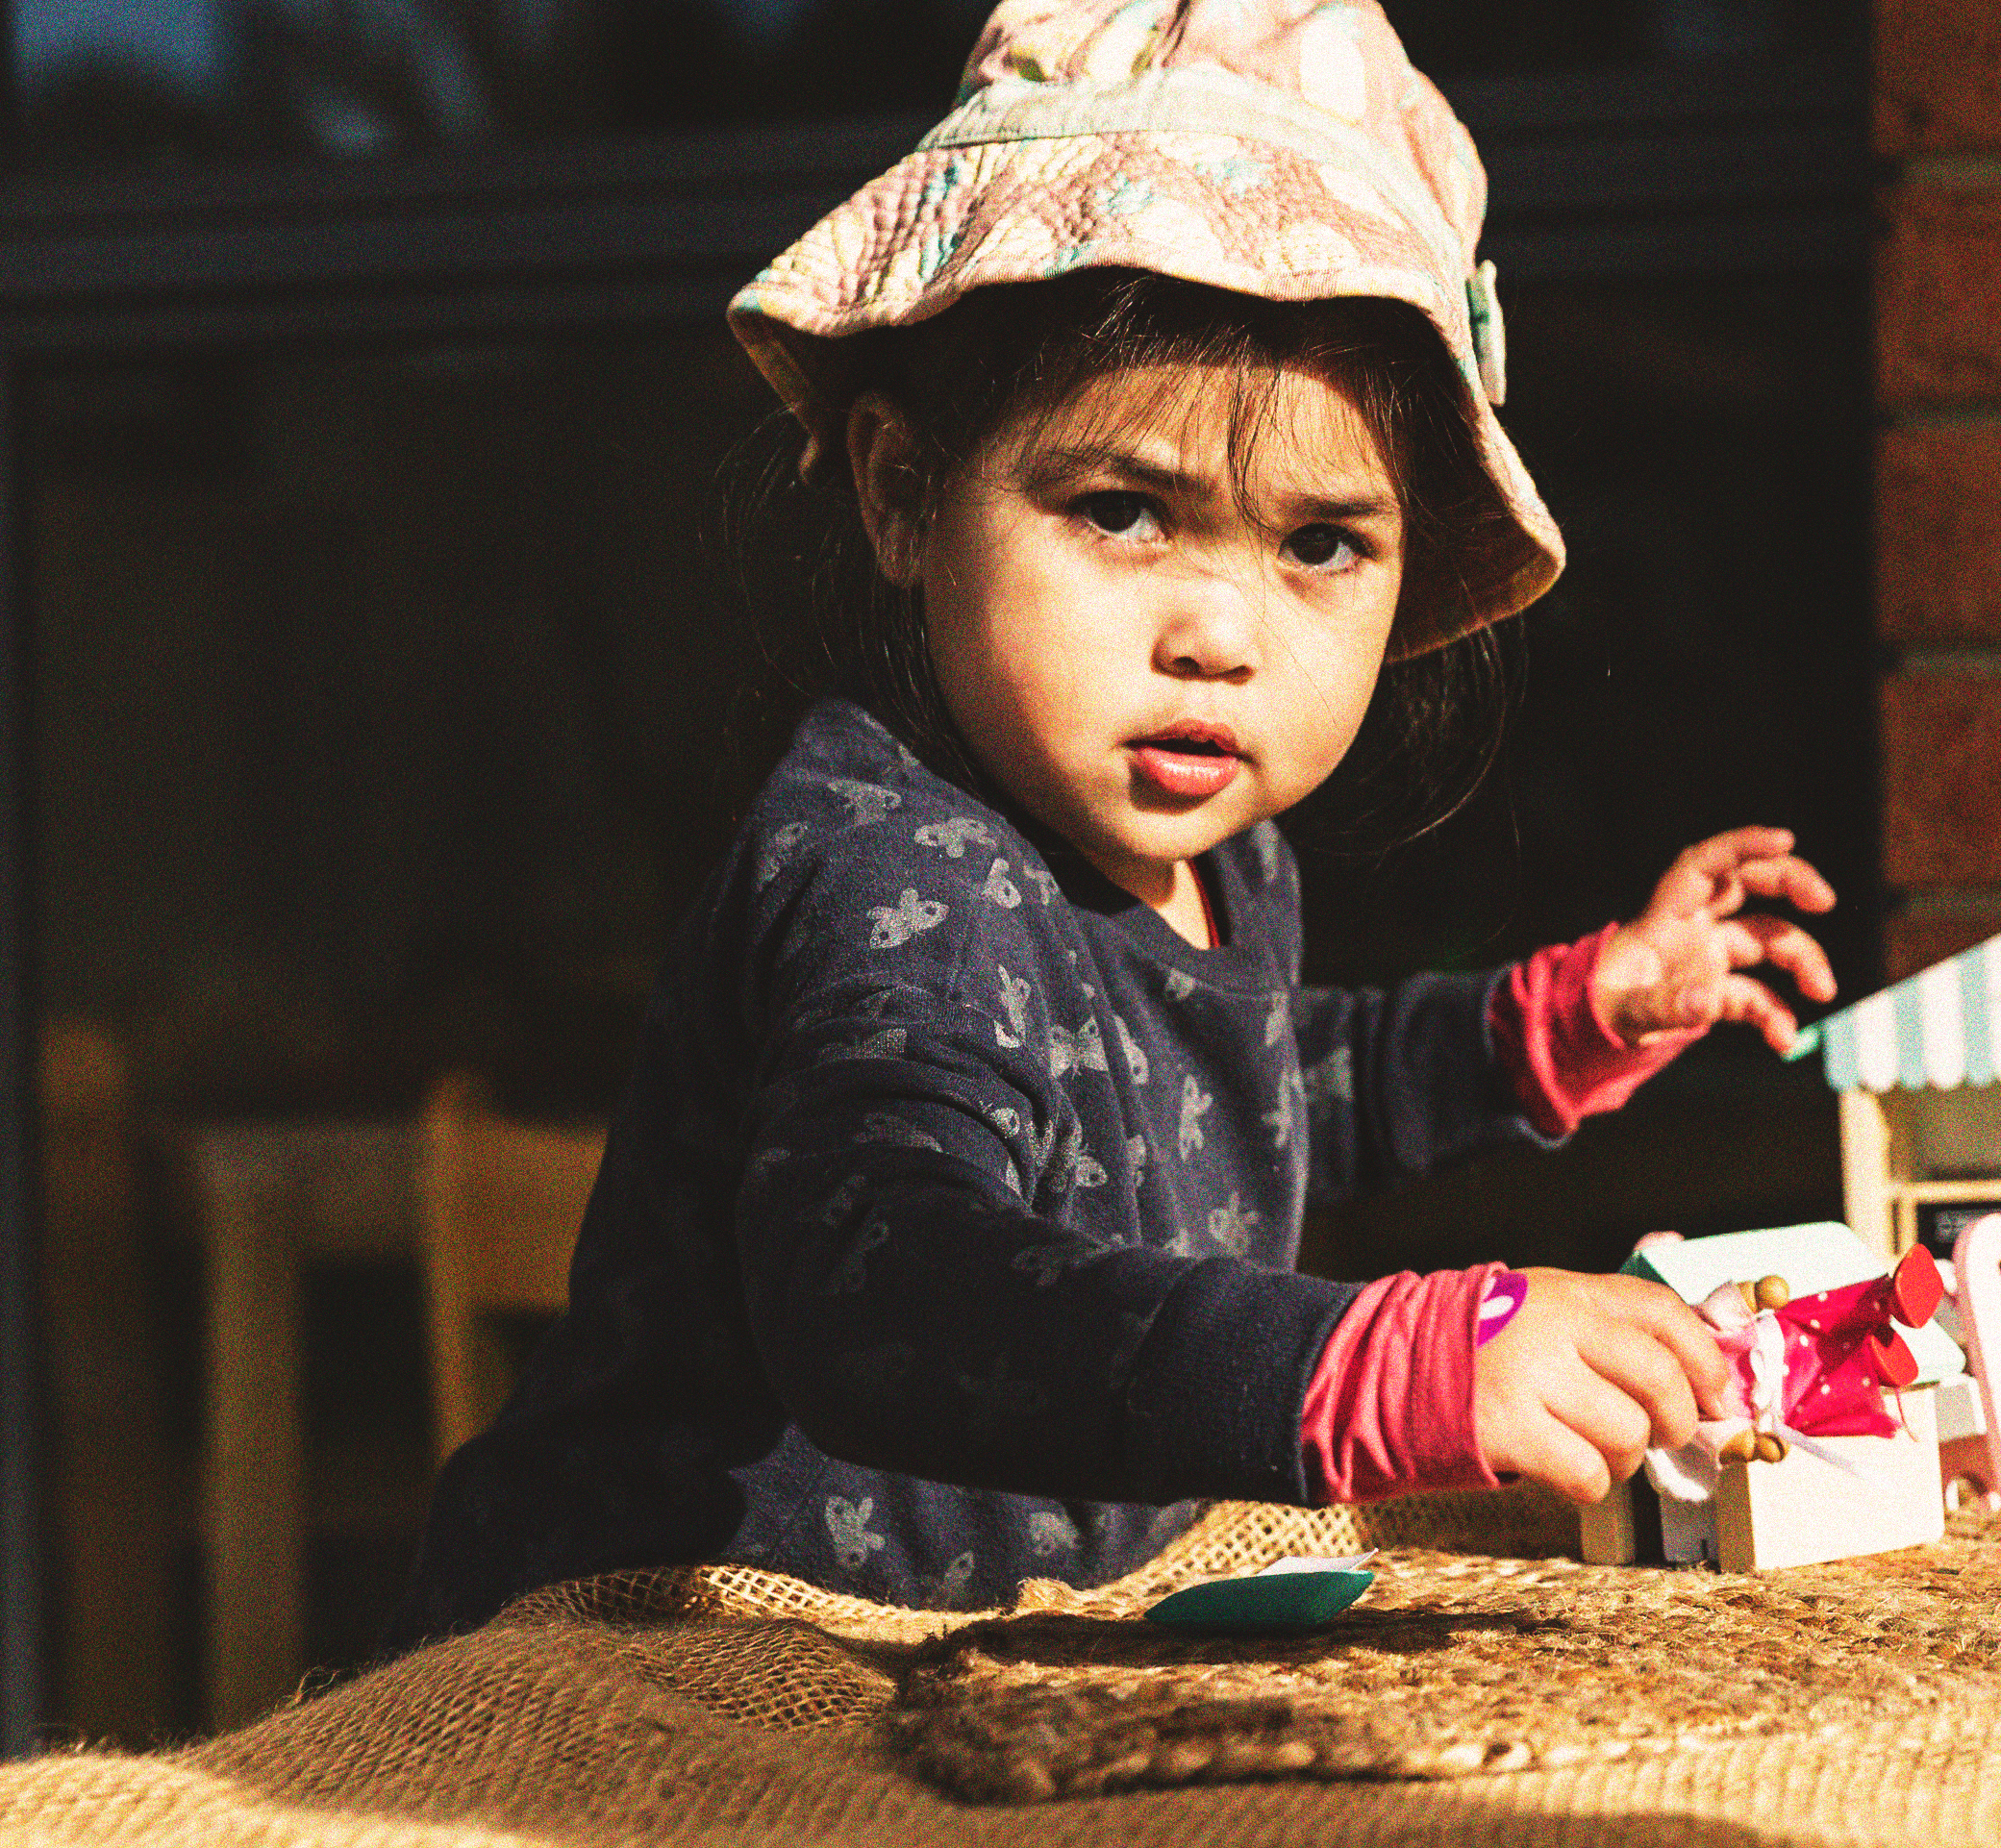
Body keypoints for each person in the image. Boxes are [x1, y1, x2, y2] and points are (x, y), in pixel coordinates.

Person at [388, 0, 1836, 1642]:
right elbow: (886, 1281)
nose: (1219, 631)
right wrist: (1356, 1362)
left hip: (982, 1648)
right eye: (1124, 510)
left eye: (1319, 545)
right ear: (903, 494)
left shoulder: (1222, 857)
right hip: (662, 1647)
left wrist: (1548, 1026)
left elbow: (1258, 1098)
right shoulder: (898, 871)